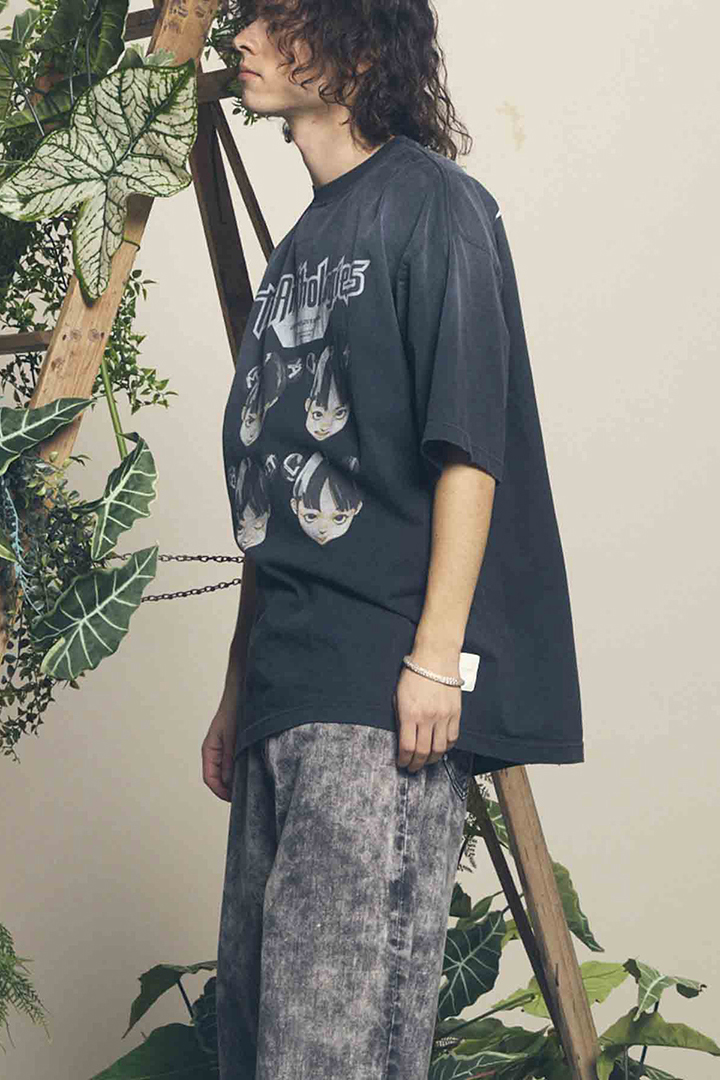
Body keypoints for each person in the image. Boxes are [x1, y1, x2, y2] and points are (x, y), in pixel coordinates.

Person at [202, 1, 584, 1077]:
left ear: (359, 47)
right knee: (262, 1051)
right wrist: (236, 690)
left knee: (335, 1052)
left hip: (378, 697)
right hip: (284, 694)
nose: (243, 37)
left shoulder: (437, 206)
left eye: (277, 17)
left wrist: (436, 657)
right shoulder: (298, 250)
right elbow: (281, 488)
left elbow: (469, 447)